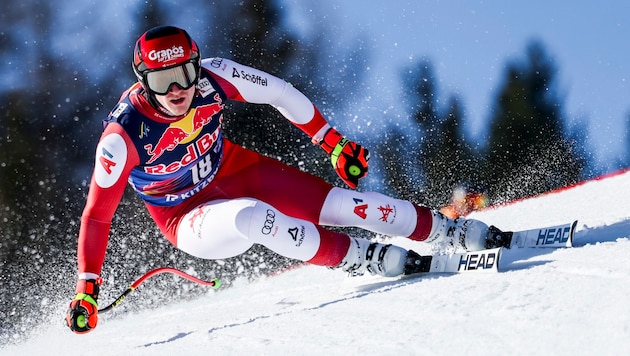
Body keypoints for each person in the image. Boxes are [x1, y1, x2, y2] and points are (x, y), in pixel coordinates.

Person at [65, 26, 501, 334]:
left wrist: (331, 142)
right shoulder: (122, 137)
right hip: (185, 216)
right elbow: (97, 216)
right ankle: (358, 256)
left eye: (185, 74)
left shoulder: (215, 77)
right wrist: (88, 287)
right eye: (163, 80)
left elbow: (279, 92)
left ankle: (448, 229)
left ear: (197, 65)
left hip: (235, 170)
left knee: (348, 205)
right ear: (144, 82)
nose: (178, 89)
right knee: (256, 218)